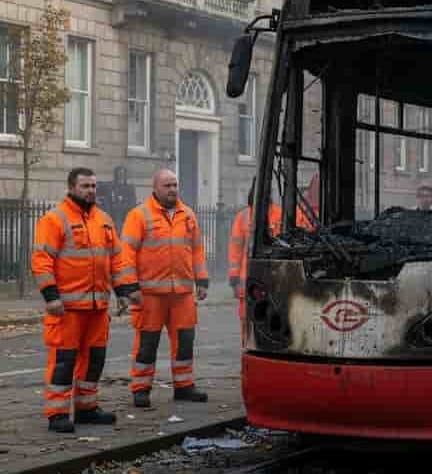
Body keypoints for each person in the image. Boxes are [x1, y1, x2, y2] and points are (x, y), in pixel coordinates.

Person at [32, 168, 142, 433]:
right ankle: (57, 414)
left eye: (93, 186)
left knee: (94, 360)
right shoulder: (54, 220)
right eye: (85, 186)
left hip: (97, 308)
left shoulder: (103, 220)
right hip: (67, 309)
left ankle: (86, 408)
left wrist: (125, 290)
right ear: (71, 187)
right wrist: (51, 296)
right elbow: (41, 260)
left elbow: (117, 260)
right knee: (63, 361)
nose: (91, 190)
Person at [121, 168, 209, 407]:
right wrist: (130, 286)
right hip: (149, 295)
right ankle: (140, 389)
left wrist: (202, 281)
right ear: (155, 188)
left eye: (175, 185)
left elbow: (197, 251)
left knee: (185, 341)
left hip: (182, 294)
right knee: (147, 343)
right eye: (167, 186)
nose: (172, 190)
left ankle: (184, 386)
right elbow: (126, 253)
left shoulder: (188, 215)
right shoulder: (139, 215)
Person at [228, 184, 281, 323]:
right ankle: (248, 343)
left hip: (274, 277)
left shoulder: (279, 214)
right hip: (248, 279)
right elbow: (235, 249)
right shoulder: (243, 217)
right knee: (247, 318)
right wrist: (234, 277)